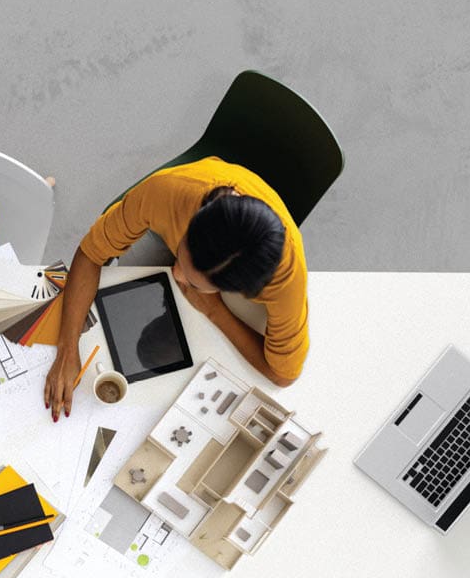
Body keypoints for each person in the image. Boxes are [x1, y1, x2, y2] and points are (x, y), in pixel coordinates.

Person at [44, 157, 308, 421]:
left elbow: (283, 374)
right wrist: (68, 348)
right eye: (181, 254)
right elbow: (92, 252)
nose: (176, 274)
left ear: (243, 291)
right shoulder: (168, 190)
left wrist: (215, 310)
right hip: (186, 196)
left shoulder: (285, 279)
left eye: (193, 282)